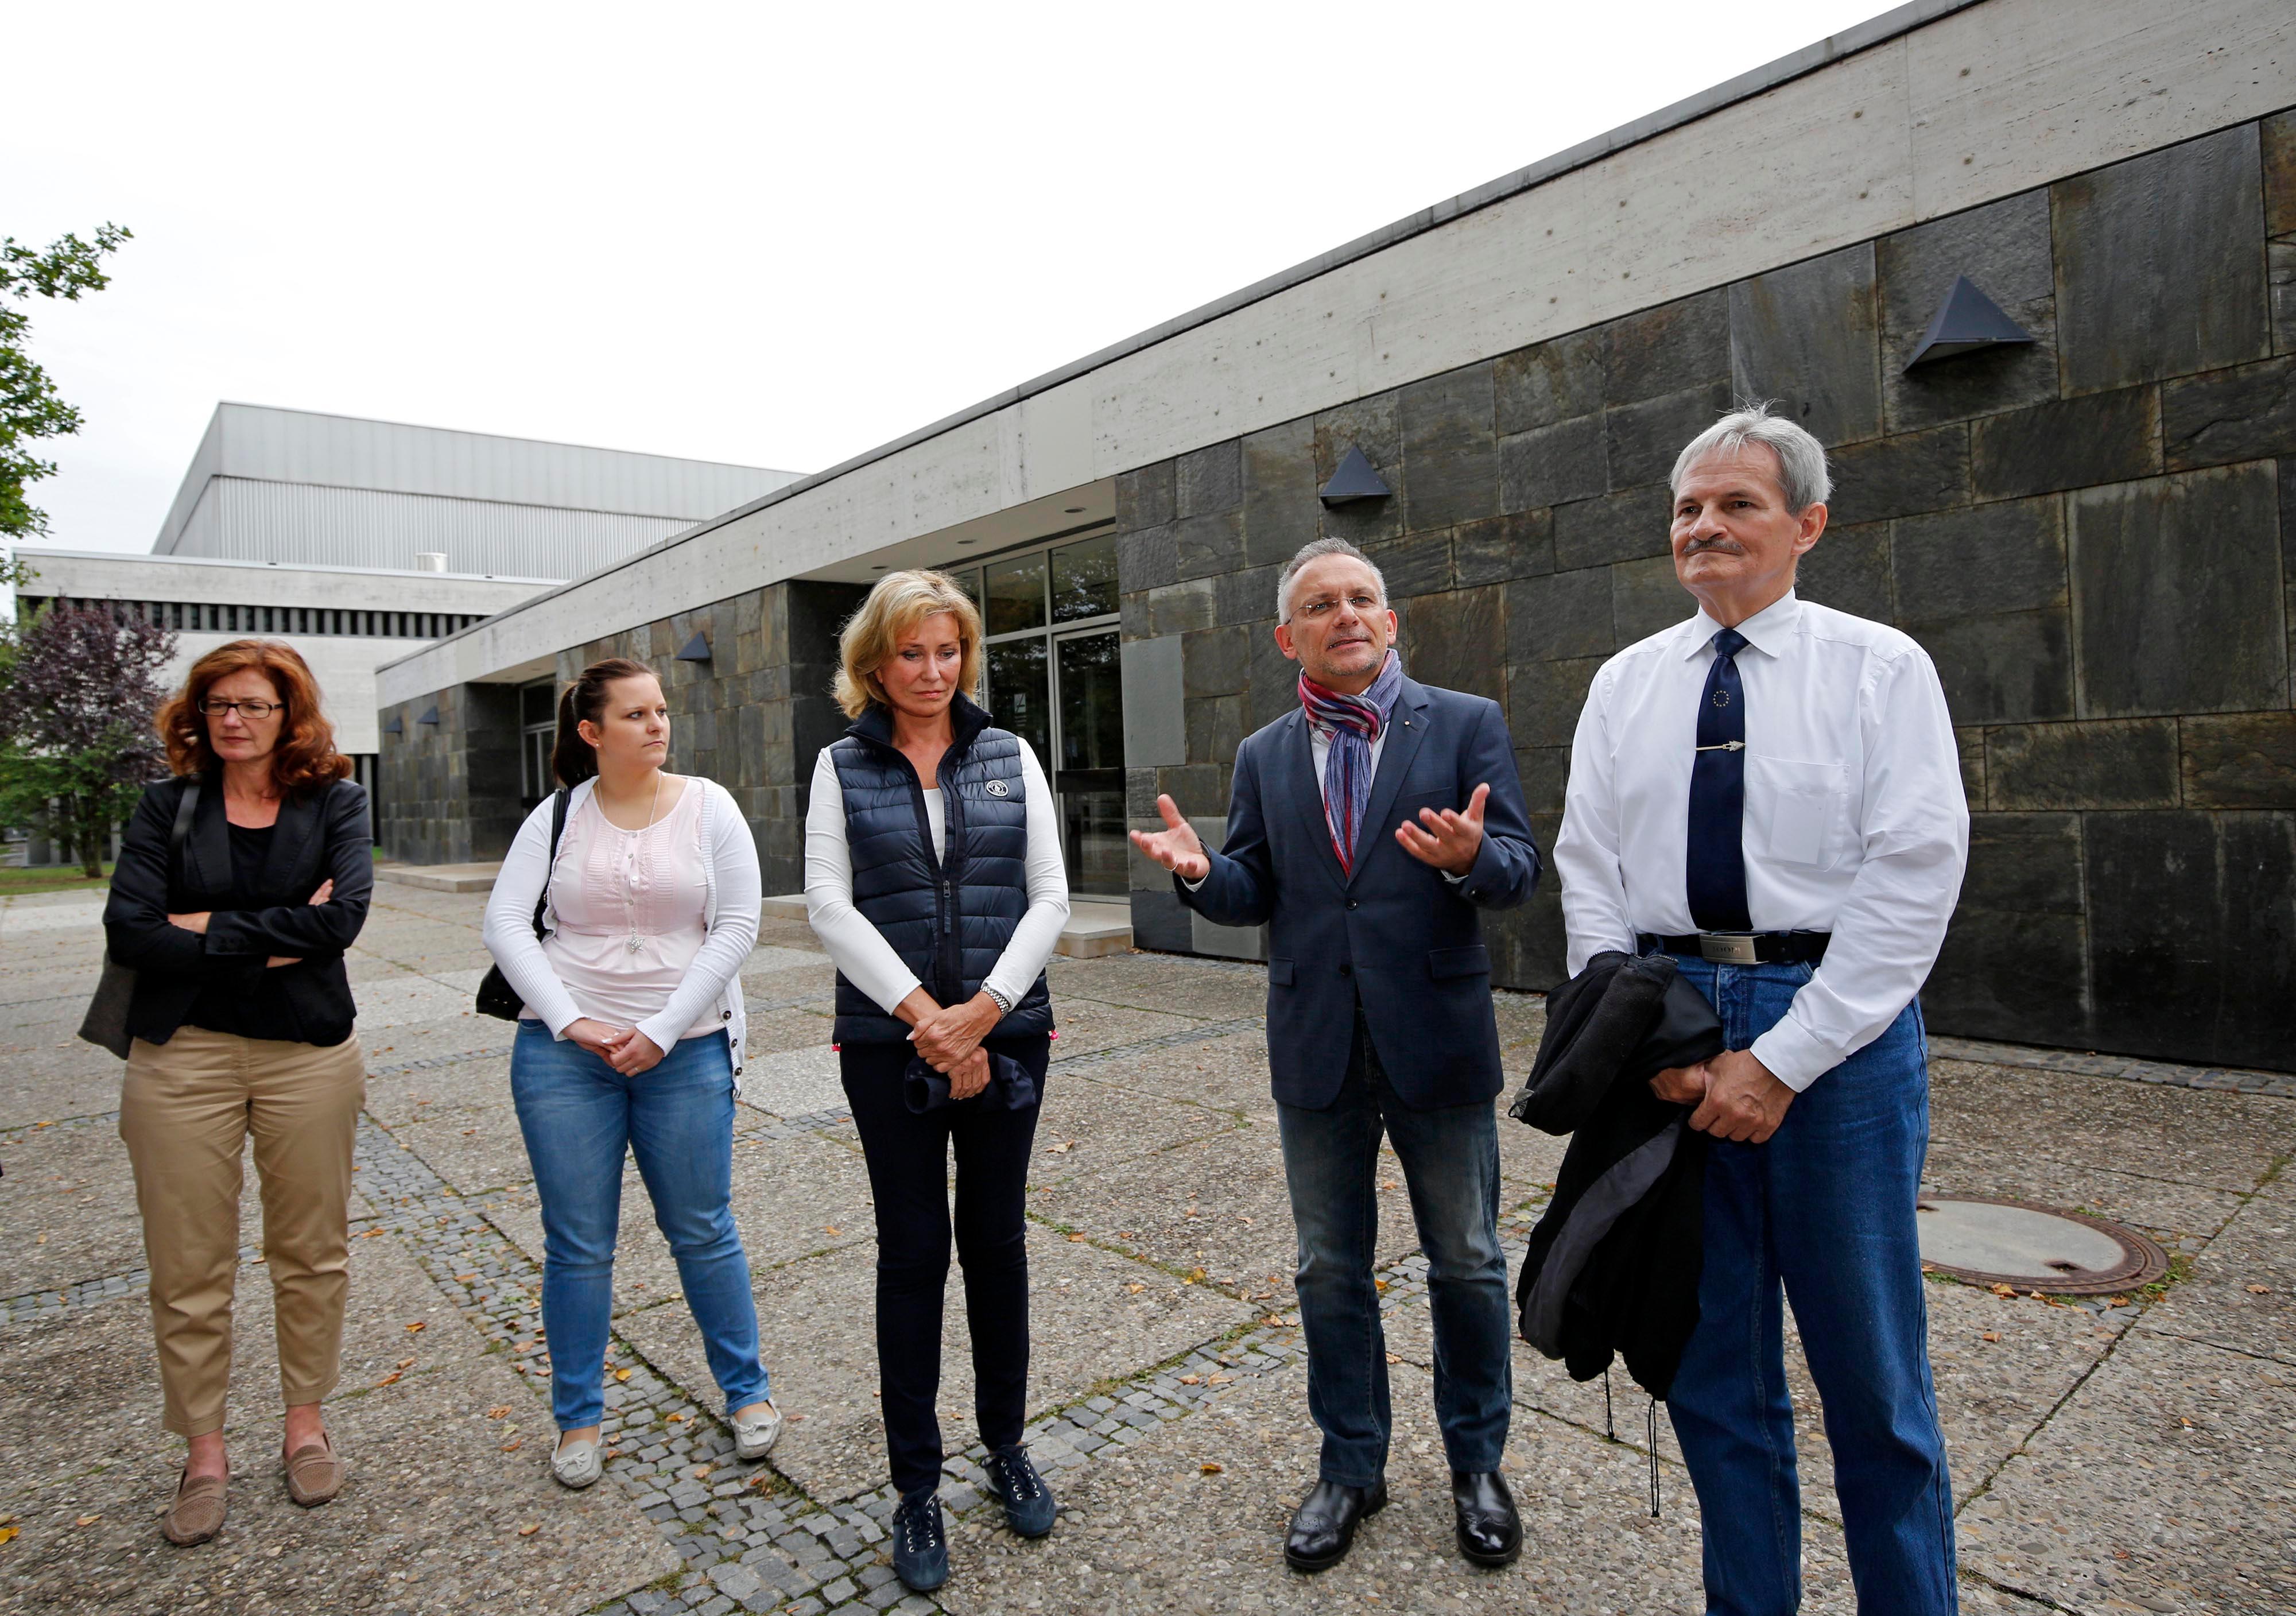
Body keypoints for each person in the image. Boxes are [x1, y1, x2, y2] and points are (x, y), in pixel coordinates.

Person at [1553, 405, 1969, 1615]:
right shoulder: (1626, 682)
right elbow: (1590, 871)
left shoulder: (1878, 669)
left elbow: (1912, 874)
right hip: (1669, 1031)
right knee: (1711, 1376)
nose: (1704, 525)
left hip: (1832, 1035)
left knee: (1872, 1383)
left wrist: (1780, 1060)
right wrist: (1644, 1039)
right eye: (1687, 506)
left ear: (1807, 524)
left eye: (1736, 503)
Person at [1131, 538, 1541, 1574]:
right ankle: (1352, 1465)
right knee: (1329, 1269)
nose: (1346, 614)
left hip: (1437, 1042)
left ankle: (1476, 1465)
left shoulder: (1464, 725)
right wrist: (1198, 873)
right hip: (1317, 1045)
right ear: (1289, 637)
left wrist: (1471, 859)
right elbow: (1253, 891)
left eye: (1363, 599)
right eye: (1321, 604)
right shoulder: (1267, 753)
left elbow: (1520, 870)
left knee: (1470, 1260)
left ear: (1391, 622)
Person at [803, 569, 1069, 1594]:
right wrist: (927, 1019)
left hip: (1009, 1035)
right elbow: (828, 904)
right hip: (890, 1047)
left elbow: (1048, 895)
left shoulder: (1010, 752)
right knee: (913, 1252)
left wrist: (985, 1014)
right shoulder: (840, 765)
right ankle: (915, 1486)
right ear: (874, 662)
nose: (931, 670)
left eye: (947, 649)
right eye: (911, 652)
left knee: (995, 1245)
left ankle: (1005, 1444)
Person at [482, 657, 777, 1491]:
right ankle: (578, 1418)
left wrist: (660, 1027)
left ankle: (747, 1394)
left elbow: (739, 926)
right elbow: (505, 923)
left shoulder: (710, 806)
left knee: (703, 1228)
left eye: (661, 711)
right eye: (636, 714)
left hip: (684, 1054)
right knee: (577, 1245)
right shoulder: (558, 816)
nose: (657, 725)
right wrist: (570, 1021)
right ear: (591, 731)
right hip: (563, 1061)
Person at [103, 640, 374, 1545]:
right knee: (188, 1267)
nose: (232, 719)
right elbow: (133, 932)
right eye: (218, 703)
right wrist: (269, 935)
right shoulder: (165, 807)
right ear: (198, 713)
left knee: (311, 1252)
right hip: (182, 1057)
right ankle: (204, 1450)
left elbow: (340, 922)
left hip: (305, 1055)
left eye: (253, 705)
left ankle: (306, 1423)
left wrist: (205, 925)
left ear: (287, 715)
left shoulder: (335, 801)